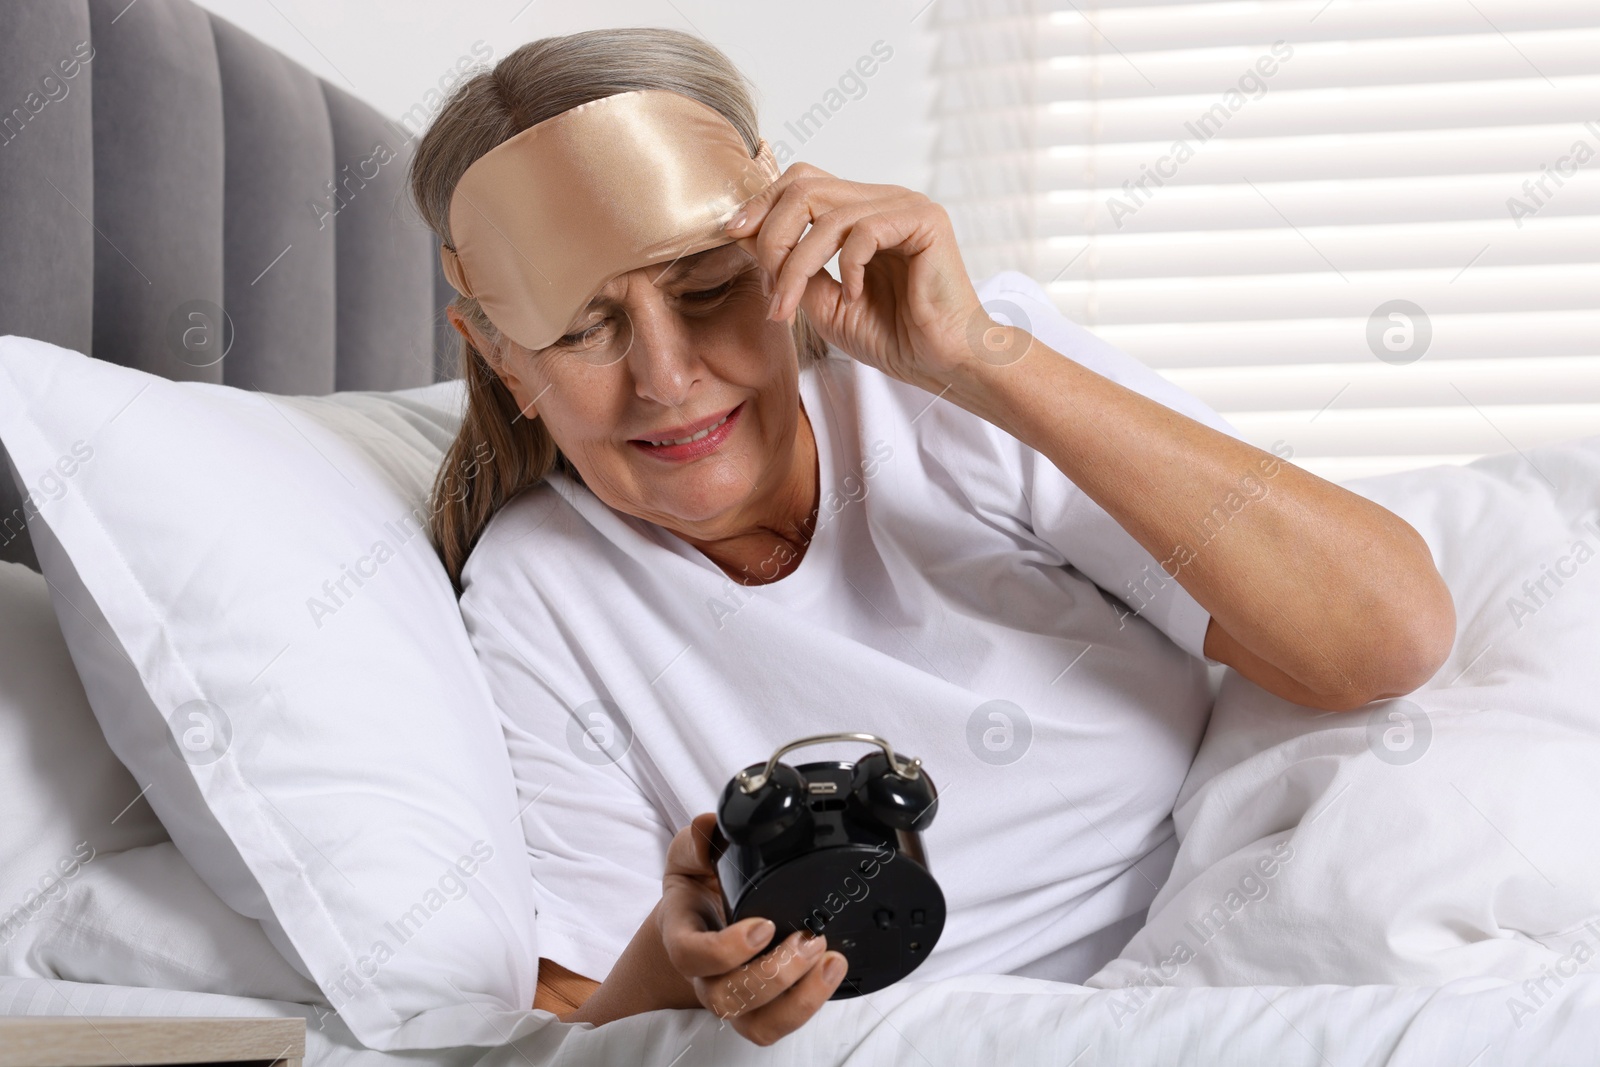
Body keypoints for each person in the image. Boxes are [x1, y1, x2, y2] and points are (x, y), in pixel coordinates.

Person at [407, 28, 1455, 1047]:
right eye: (586, 328)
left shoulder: (954, 394)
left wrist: (979, 360)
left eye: (709, 288)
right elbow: (572, 1028)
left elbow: (1384, 639)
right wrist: (678, 972)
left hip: (1213, 988)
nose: (667, 377)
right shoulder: (538, 593)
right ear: (502, 358)